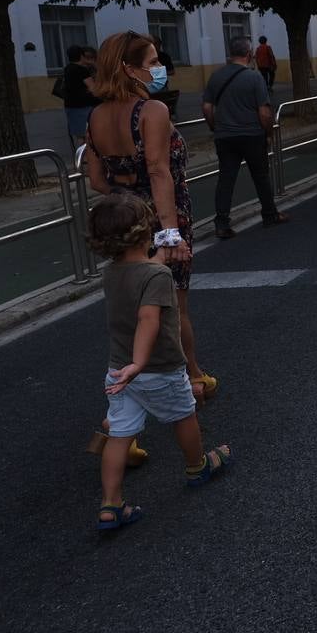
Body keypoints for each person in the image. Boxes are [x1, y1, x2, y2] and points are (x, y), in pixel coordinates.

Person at [84, 31, 216, 406]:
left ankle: (131, 396)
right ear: (129, 69)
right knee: (174, 306)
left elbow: (96, 179)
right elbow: (159, 170)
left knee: (134, 308)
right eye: (153, 62)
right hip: (163, 217)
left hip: (127, 220)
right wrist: (170, 232)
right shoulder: (152, 111)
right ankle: (191, 378)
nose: (160, 69)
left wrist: (127, 197)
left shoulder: (95, 116)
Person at [86, 193, 232, 531]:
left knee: (120, 435)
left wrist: (164, 258)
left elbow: (142, 272)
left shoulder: (112, 273)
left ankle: (110, 504)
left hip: (118, 370)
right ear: (145, 233)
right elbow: (148, 318)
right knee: (184, 415)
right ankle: (198, 466)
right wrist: (140, 362)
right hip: (158, 368)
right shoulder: (158, 278)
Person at [202, 36, 289, 239]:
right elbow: (264, 112)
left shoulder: (216, 76)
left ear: (230, 54)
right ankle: (269, 214)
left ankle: (222, 223)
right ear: (249, 55)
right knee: (260, 177)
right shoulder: (254, 77)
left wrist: (216, 127)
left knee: (226, 179)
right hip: (251, 135)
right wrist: (268, 133)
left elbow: (206, 107)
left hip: (225, 137)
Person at [62, 45, 100, 146]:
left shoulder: (68, 69)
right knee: (86, 134)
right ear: (81, 56)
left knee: (80, 135)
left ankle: (81, 158)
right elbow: (93, 88)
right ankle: (85, 158)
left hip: (71, 105)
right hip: (83, 106)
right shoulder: (81, 70)